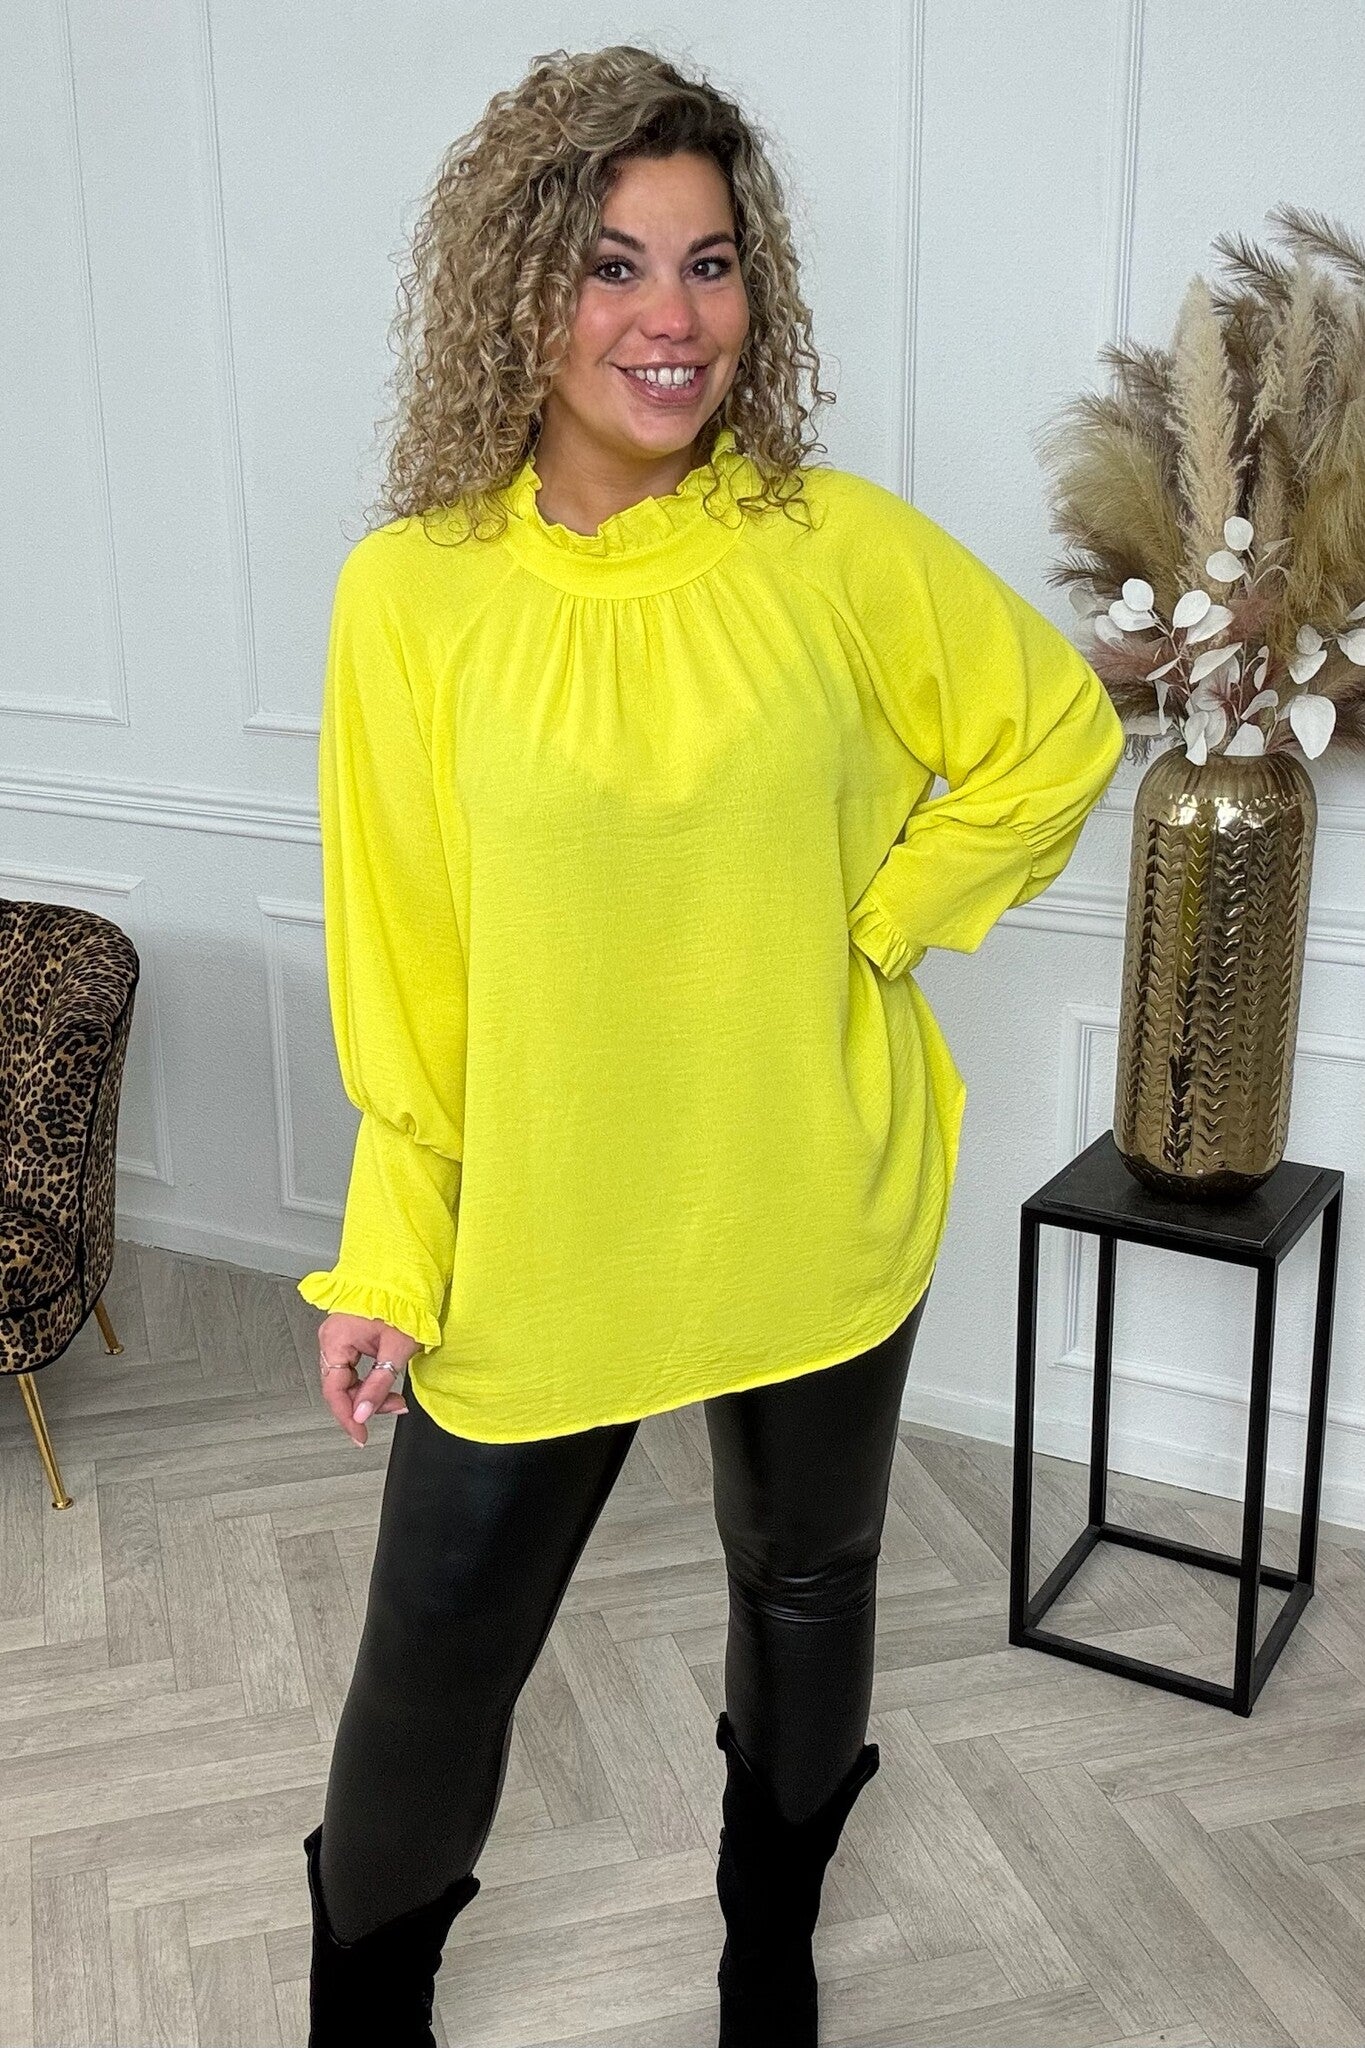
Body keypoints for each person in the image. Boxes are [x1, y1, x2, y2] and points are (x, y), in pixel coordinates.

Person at [294, 41, 1126, 2048]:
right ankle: (365, 2007)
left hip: (804, 1189)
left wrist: (880, 925)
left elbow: (1052, 734)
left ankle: (771, 1956)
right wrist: (395, 1248)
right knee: (438, 1647)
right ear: (519, 290)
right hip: (548, 1226)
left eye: (708, 262)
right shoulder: (413, 597)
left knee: (809, 1581)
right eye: (611, 264)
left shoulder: (832, 548)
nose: (669, 317)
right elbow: (406, 963)